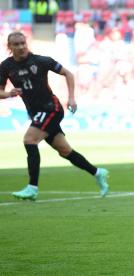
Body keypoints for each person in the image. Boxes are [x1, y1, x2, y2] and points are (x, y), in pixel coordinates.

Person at [0, 31, 109, 201]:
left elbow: (69, 74)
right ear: (10, 47)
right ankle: (97, 172)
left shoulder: (41, 61)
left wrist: (71, 97)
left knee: (29, 140)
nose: (21, 47)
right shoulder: (5, 67)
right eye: (17, 44)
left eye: (23, 43)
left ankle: (32, 188)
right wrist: (8, 94)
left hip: (51, 108)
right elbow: (0, 92)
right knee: (65, 151)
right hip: (36, 113)